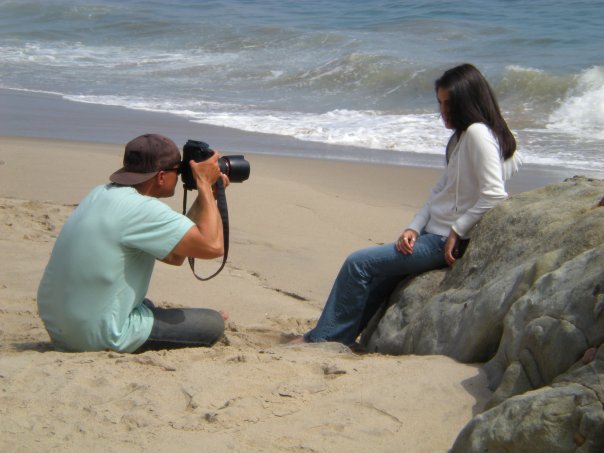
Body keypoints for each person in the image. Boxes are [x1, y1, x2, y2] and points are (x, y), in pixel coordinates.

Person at [295, 63, 521, 347]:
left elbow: (495, 194)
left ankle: (320, 340)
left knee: (358, 264)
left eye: (448, 104)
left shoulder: (478, 133)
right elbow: (439, 190)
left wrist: (456, 230)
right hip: (430, 233)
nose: (442, 112)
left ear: (467, 102)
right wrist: (413, 227)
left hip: (442, 241)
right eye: (439, 103)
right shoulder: (460, 138)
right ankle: (338, 340)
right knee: (378, 280)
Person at [37, 133, 229, 353]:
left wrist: (207, 197)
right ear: (160, 177)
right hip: (97, 335)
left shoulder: (100, 194)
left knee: (144, 304)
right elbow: (213, 247)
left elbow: (175, 256)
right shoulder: (142, 210)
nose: (180, 177)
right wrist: (203, 183)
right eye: (178, 171)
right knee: (212, 323)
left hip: (62, 326)